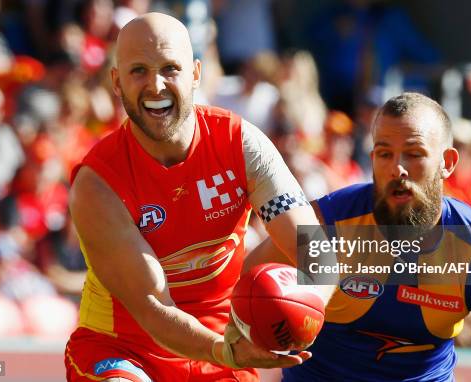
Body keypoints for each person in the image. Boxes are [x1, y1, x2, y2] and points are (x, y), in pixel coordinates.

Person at [64, 13, 323, 382]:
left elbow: (313, 249)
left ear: (196, 74)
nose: (156, 85)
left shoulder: (242, 144)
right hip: (124, 349)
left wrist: (306, 314)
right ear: (117, 83)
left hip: (226, 347)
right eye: (139, 71)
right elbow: (153, 309)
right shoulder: (97, 184)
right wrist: (225, 351)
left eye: (170, 68)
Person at [273, 93, 471, 381]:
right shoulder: (326, 223)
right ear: (372, 160)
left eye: (414, 153)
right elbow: (242, 289)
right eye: (385, 154)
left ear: (447, 162)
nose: (397, 168)